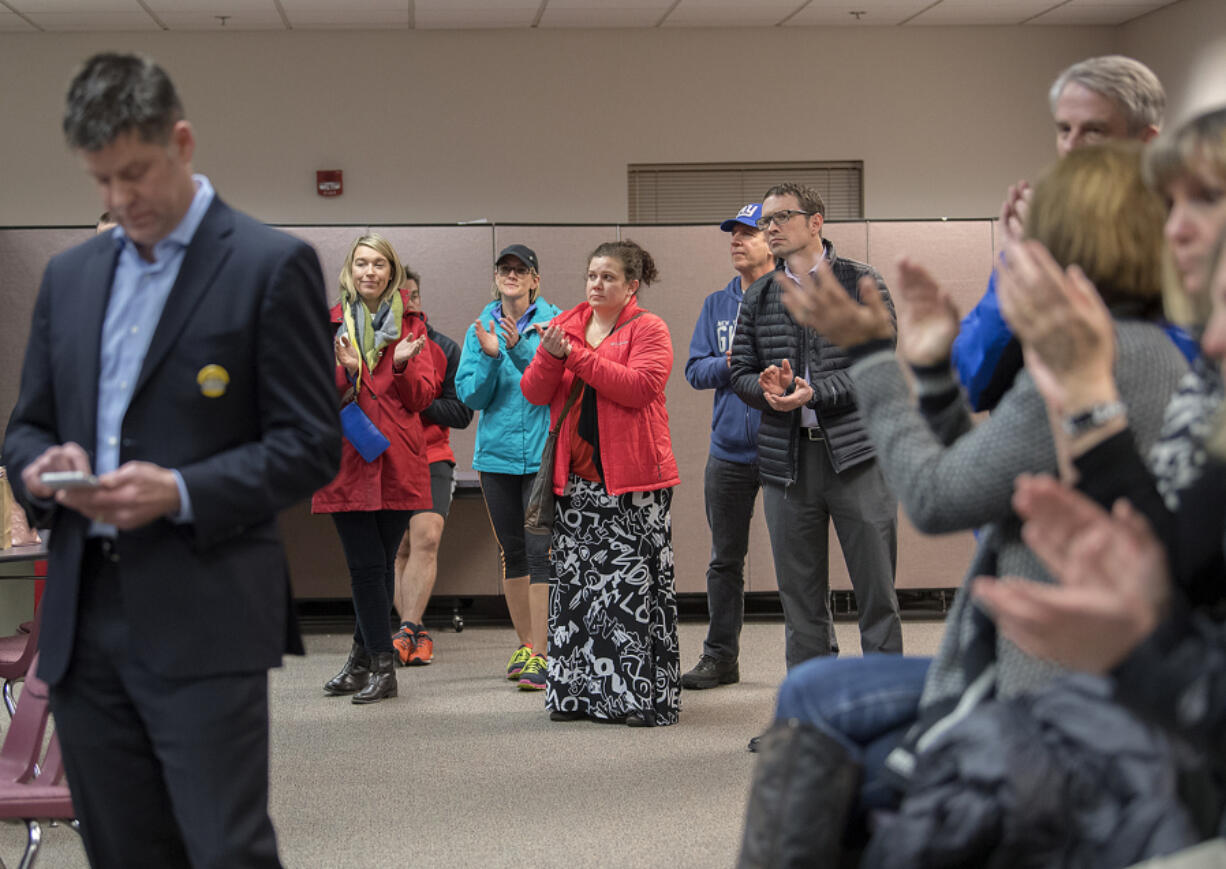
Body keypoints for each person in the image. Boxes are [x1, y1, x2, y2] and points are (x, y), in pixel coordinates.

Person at [738, 143, 1189, 867]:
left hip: (1041, 677)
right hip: (1023, 655)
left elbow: (937, 496)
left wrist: (873, 357)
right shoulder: (1127, 345)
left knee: (825, 711)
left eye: (1030, 233)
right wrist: (930, 376)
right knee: (817, 680)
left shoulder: (1102, 354)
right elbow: (978, 473)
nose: (1015, 251)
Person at [1, 52, 340, 867]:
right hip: (83, 620)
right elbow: (24, 428)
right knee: (123, 849)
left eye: (136, 173)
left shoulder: (268, 265)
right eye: (100, 181)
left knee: (224, 848)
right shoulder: (71, 278)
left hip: (206, 610)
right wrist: (40, 470)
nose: (120, 200)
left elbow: (309, 444)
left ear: (182, 142)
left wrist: (182, 490)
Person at [729, 182, 903, 670]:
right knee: (801, 602)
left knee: (877, 596)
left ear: (815, 222)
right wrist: (765, 388)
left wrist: (818, 392)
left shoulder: (860, 281)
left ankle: (885, 713)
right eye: (766, 221)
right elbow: (739, 369)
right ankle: (811, 717)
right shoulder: (760, 294)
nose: (771, 229)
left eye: (781, 218)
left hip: (857, 456)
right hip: (788, 464)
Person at [952, 55, 1181, 411]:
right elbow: (972, 383)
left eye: (1094, 131)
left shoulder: (1186, 231)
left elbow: (1191, 369)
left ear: (1147, 142)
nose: (1071, 147)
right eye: (1064, 130)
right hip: (1044, 444)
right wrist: (1022, 263)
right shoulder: (1046, 232)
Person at [520, 240, 681, 727]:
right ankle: (575, 696)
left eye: (608, 277)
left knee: (629, 595)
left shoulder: (648, 328)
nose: (596, 284)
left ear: (631, 285)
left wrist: (575, 357)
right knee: (577, 594)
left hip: (632, 486)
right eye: (591, 275)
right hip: (578, 487)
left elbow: (639, 388)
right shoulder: (568, 324)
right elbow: (533, 391)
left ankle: (637, 700)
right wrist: (552, 357)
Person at [311, 234, 439, 704]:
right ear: (350, 270)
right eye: (361, 263)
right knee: (367, 567)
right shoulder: (327, 327)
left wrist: (403, 366)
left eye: (379, 264)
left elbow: (423, 397)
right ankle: (382, 668)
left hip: (397, 458)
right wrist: (345, 369)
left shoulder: (413, 327)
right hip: (347, 457)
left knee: (382, 564)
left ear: (392, 272)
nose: (370, 272)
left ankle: (362, 661)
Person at [455, 244, 561, 689]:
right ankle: (525, 644)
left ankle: (543, 651)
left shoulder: (555, 324)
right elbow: (471, 397)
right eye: (505, 268)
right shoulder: (479, 327)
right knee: (512, 552)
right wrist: (492, 356)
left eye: (521, 269)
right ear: (496, 277)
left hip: (540, 455)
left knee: (541, 554)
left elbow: (552, 385)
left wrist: (516, 349)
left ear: (536, 279)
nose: (512, 275)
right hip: (496, 457)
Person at [680, 203, 772, 690]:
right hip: (729, 451)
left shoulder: (791, 296)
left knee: (803, 559)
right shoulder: (717, 303)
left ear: (771, 240)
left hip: (784, 448)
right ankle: (720, 657)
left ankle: (820, 654)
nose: (736, 240)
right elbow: (696, 370)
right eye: (732, 234)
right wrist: (731, 361)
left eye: (748, 233)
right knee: (724, 561)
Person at [390, 269, 473, 666]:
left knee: (426, 538)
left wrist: (415, 399)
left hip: (433, 458)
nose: (410, 301)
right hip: (387, 460)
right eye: (402, 295)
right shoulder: (374, 348)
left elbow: (460, 412)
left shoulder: (443, 348)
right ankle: (415, 631)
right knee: (400, 547)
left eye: (415, 294)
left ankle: (406, 629)